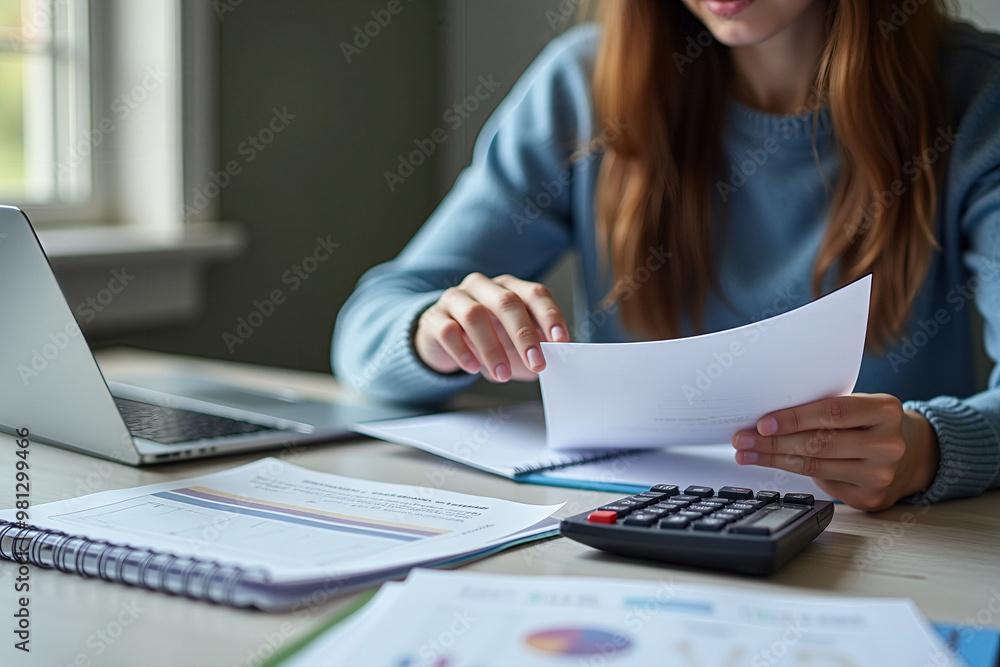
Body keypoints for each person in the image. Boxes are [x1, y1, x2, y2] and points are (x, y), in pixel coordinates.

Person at [333, 0, 1000, 511]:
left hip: (877, 546)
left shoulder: (976, 97)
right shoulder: (583, 86)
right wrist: (436, 330)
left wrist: (928, 450)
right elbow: (369, 324)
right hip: (614, 528)